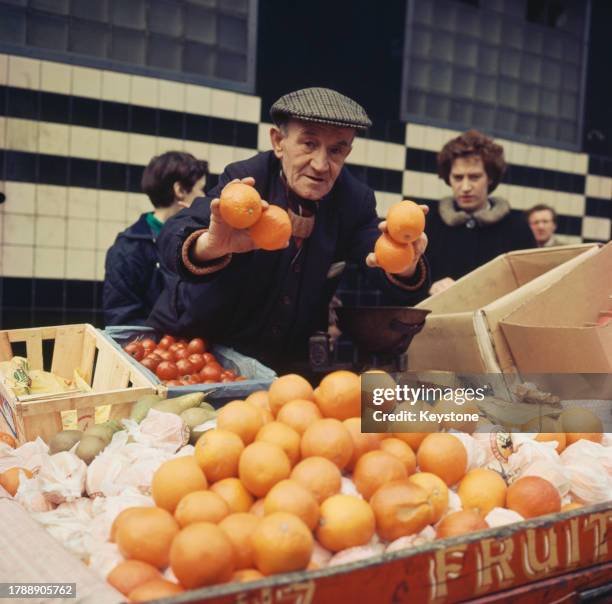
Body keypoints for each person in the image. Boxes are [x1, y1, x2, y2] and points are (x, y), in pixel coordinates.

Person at [148, 88, 430, 370]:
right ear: (278, 141)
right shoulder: (246, 180)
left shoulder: (354, 200)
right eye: (309, 143)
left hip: (285, 364)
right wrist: (208, 246)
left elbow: (379, 254)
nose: (321, 165)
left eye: (336, 150)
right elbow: (173, 233)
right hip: (205, 351)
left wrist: (405, 264)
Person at [424, 130, 536, 297]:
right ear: (449, 178)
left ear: (490, 177)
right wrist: (429, 287)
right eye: (458, 177)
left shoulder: (517, 228)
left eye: (475, 177)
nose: (466, 187)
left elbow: (530, 286)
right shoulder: (430, 222)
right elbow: (409, 282)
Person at [103, 151, 208, 326]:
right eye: (201, 188)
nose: (204, 197)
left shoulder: (202, 241)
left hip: (195, 350)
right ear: (180, 190)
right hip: (155, 350)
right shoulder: (128, 248)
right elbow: (122, 319)